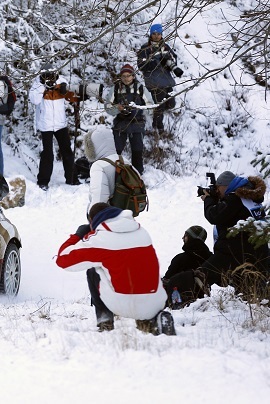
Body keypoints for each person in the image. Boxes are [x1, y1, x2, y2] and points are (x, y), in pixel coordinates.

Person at [56, 202, 173, 335]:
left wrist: (78, 235)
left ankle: (104, 320)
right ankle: (152, 321)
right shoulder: (142, 232)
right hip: (155, 302)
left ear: (91, 220)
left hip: (121, 304)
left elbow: (62, 260)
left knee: (93, 270)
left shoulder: (100, 240)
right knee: (140, 265)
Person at [197, 171, 268, 293]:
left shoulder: (235, 199)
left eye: (218, 187)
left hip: (234, 252)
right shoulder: (250, 198)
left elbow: (214, 216)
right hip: (257, 254)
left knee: (201, 276)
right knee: (251, 292)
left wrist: (209, 199)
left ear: (225, 186)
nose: (217, 191)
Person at [28, 66, 78, 189]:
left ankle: (72, 179)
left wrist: (63, 87)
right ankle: (43, 181)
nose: (49, 78)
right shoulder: (37, 84)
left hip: (60, 123)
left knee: (67, 151)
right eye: (46, 75)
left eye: (51, 75)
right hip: (46, 124)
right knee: (47, 154)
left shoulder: (61, 80)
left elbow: (71, 96)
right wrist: (42, 85)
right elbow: (34, 100)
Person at [105, 64, 154, 174]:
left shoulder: (141, 88)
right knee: (116, 152)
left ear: (133, 76)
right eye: (123, 76)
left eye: (128, 75)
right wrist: (117, 108)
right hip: (120, 123)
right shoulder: (116, 89)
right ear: (120, 77)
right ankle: (114, 175)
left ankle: (137, 177)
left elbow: (150, 106)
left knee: (137, 152)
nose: (126, 78)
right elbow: (107, 108)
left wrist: (137, 109)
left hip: (137, 123)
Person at [136, 23, 183, 132]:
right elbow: (141, 65)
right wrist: (157, 62)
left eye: (159, 34)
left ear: (162, 34)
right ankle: (158, 126)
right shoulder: (145, 48)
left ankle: (155, 112)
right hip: (154, 81)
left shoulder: (165, 46)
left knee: (171, 104)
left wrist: (174, 67)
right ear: (151, 35)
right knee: (160, 105)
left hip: (166, 80)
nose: (156, 36)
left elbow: (173, 58)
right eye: (154, 34)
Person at [82, 126, 123, 210]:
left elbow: (99, 200)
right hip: (128, 215)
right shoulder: (123, 160)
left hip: (110, 217)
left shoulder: (99, 166)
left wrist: (91, 215)